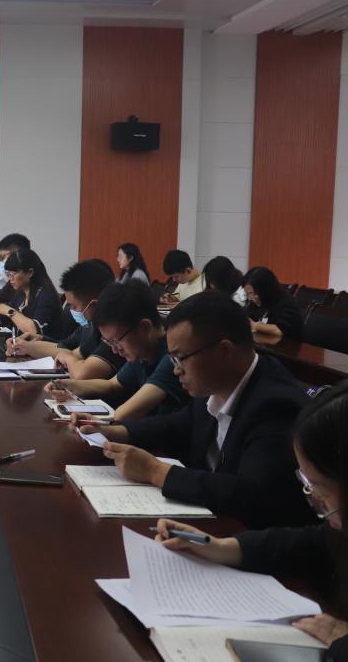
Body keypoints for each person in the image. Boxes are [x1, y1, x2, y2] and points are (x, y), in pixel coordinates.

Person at [80, 291, 315, 528]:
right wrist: (116, 431)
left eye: (181, 358)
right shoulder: (217, 383)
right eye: (172, 360)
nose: (176, 370)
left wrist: (155, 471)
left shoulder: (276, 405)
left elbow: (251, 494)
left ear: (224, 351)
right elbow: (178, 424)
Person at [153, 381, 348, 656]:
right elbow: (315, 542)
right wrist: (221, 547)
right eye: (307, 483)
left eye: (321, 489)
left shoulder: (272, 401)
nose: (316, 499)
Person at [46, 280, 189, 420]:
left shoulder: (173, 355)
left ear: (144, 327)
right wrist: (68, 385)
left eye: (116, 341)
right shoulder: (142, 350)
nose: (115, 350)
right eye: (109, 342)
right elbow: (112, 385)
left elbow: (122, 415)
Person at [8, 259, 125, 379]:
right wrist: (27, 345)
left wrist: (67, 357)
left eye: (74, 306)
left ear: (94, 305)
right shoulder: (89, 326)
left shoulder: (115, 331)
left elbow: (82, 372)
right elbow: (65, 347)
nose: (71, 311)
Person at [0, 248, 66, 340]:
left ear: (30, 272)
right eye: (8, 274)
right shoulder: (21, 294)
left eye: (13, 274)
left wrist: (6, 309)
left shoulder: (46, 296)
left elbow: (33, 331)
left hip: (43, 351)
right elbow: (1, 319)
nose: (10, 278)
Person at [243, 266, 304, 341]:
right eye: (248, 294)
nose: (251, 297)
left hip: (287, 345)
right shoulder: (257, 301)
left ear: (266, 289)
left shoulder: (287, 304)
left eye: (253, 293)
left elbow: (280, 330)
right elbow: (249, 316)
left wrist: (255, 326)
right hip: (265, 343)